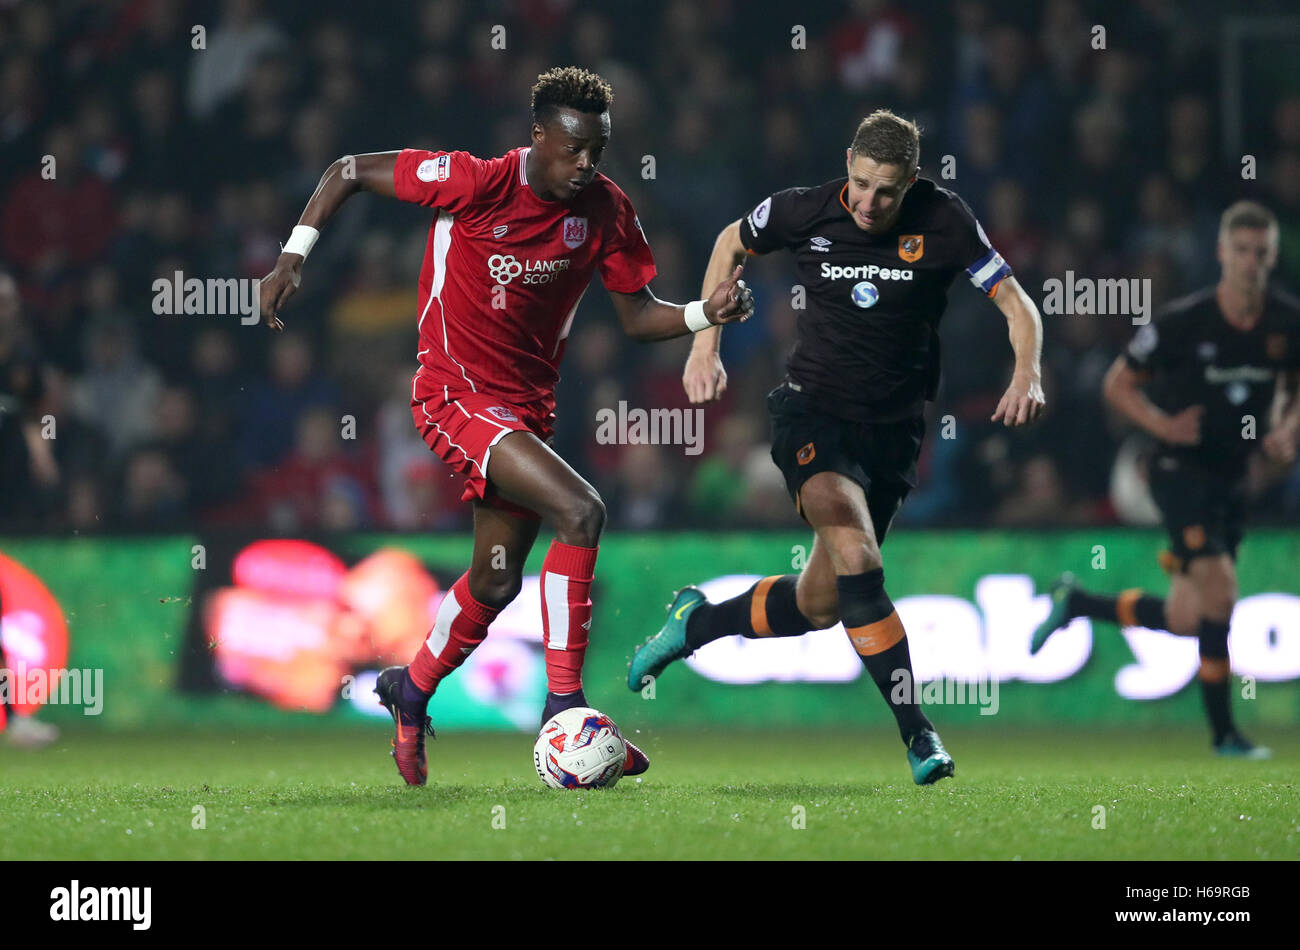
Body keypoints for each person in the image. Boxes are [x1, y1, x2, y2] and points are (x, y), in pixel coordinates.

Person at [258, 67, 754, 786]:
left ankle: (410, 688)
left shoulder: (608, 210)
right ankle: (566, 710)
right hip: (453, 395)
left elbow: (639, 315)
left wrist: (706, 313)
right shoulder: (475, 182)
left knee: (494, 583)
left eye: (599, 150)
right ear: (538, 137)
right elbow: (347, 171)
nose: (587, 163)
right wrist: (291, 257)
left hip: (524, 412)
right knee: (582, 511)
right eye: (575, 148)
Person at [628, 109, 1045, 785]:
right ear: (848, 162)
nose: (868, 202)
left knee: (821, 604)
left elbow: (1017, 302)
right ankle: (919, 734)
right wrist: (705, 344)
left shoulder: (945, 220)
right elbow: (729, 243)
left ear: (910, 181)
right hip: (812, 415)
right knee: (857, 552)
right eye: (859, 183)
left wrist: (1026, 371)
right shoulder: (804, 210)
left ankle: (694, 623)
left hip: (893, 434)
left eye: (885, 190)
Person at [1031, 200, 1300, 758]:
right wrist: (1165, 425)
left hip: (1233, 477)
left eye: (1262, 253)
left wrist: (1285, 429)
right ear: (1223, 253)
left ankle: (1080, 603)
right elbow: (1116, 384)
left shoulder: (1285, 321)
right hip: (1178, 472)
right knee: (1221, 595)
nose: (1251, 262)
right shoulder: (1185, 322)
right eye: (1242, 251)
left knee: (1186, 618)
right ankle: (1225, 734)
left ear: (1272, 258)